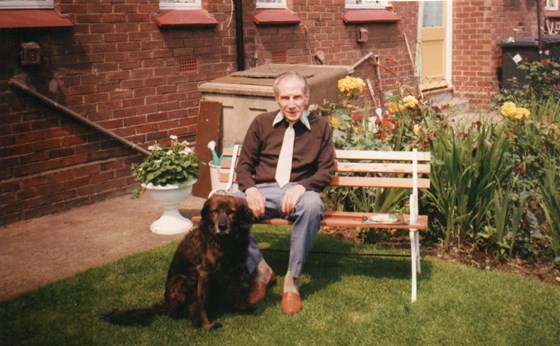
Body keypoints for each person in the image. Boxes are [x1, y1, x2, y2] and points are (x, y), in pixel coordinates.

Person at [234, 71, 335, 315]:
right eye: (285, 98)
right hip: (264, 190)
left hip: (300, 192)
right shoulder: (261, 123)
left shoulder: (321, 127)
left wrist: (302, 186)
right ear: (277, 99)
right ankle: (260, 271)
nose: (291, 104)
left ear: (307, 97)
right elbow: (245, 166)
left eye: (297, 97)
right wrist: (250, 190)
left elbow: (326, 170)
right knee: (230, 205)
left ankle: (292, 280)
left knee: (312, 206)